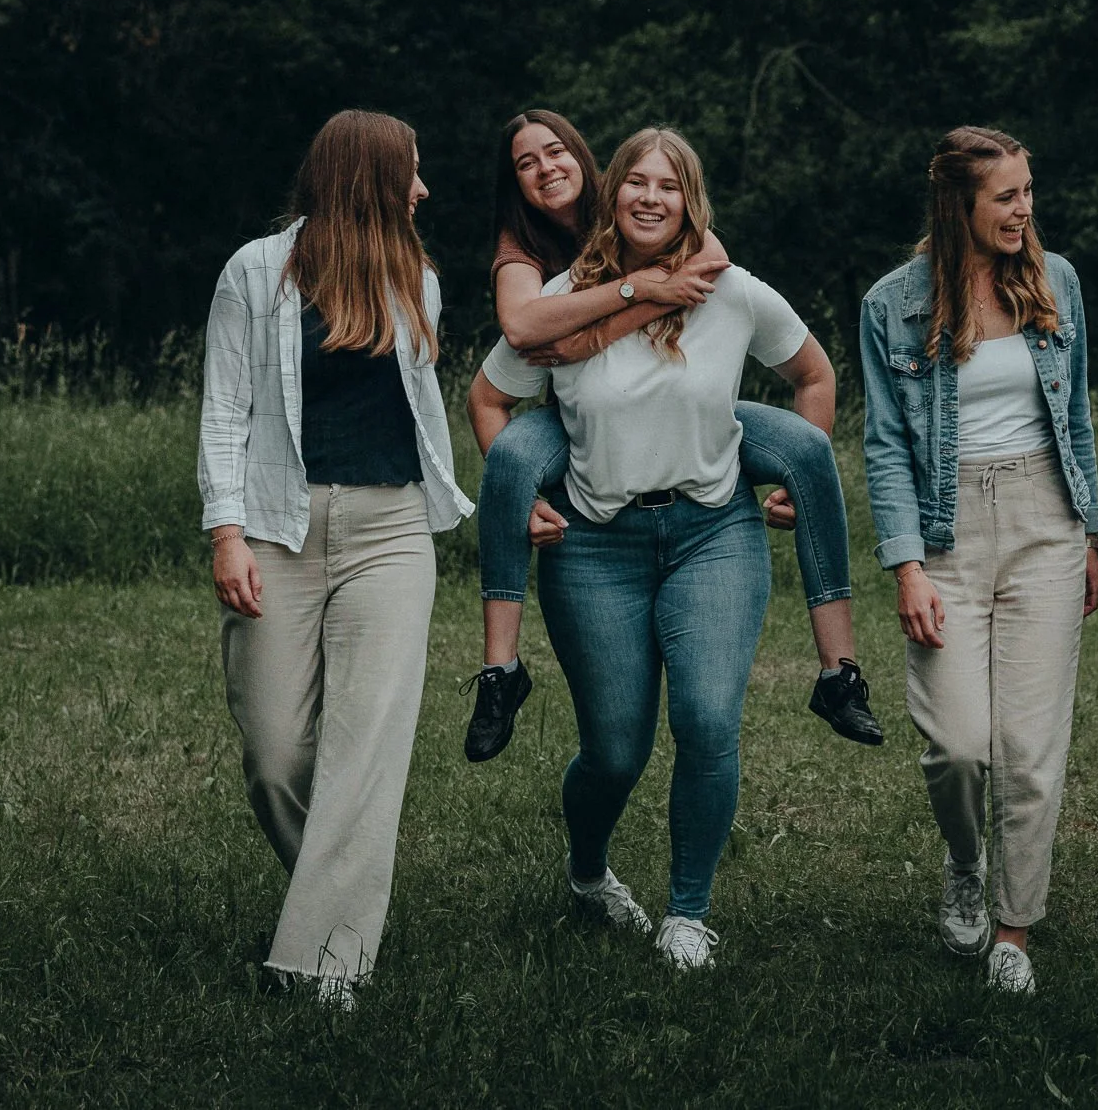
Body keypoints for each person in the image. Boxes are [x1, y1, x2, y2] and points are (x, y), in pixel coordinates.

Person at [468, 126, 838, 970]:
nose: (650, 197)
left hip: (714, 532)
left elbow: (814, 375)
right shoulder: (564, 293)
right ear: (614, 192)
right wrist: (523, 495)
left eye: (668, 186)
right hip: (594, 546)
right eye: (637, 181)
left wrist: (793, 478)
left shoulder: (730, 289)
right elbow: (488, 394)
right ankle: (588, 872)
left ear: (689, 201)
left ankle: (688, 912)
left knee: (707, 719)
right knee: (614, 751)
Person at [461, 108, 880, 763]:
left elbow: (722, 267)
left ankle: (839, 671)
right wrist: (633, 298)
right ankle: (499, 670)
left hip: (694, 435)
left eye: (555, 152)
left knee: (807, 448)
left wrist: (655, 292)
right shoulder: (525, 255)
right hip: (578, 427)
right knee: (513, 454)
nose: (546, 169)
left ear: (589, 163)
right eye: (526, 162)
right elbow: (520, 332)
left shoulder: (693, 256)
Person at [198, 109, 473, 1010]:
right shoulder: (253, 270)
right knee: (275, 752)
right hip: (278, 528)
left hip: (392, 529)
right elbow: (224, 410)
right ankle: (334, 893)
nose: (423, 189)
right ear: (368, 177)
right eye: (411, 173)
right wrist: (226, 532)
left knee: (365, 746)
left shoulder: (416, 280)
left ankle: (328, 960)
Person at [859, 126, 1098, 995]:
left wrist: (1090, 533)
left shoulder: (1055, 280)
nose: (1024, 209)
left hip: (1045, 520)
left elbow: (1075, 415)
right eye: (1007, 196)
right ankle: (966, 861)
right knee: (958, 745)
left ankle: (1013, 929)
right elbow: (885, 445)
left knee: (1029, 750)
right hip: (944, 528)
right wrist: (906, 565)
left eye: (1028, 191)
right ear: (958, 203)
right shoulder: (892, 305)